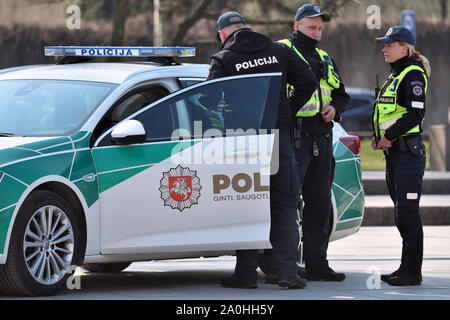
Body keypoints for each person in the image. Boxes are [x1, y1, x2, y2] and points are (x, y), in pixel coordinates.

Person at [208, 11, 317, 289]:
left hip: (243, 140)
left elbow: (207, 98)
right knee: (284, 205)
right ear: (245, 27)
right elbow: (308, 82)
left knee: (246, 205)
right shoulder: (278, 51)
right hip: (277, 137)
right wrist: (287, 112)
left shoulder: (224, 58)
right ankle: (288, 274)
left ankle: (245, 275)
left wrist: (228, 109)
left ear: (223, 33)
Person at [264, 4, 349, 282]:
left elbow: (342, 95)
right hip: (295, 136)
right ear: (297, 25)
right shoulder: (281, 52)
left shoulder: (325, 57)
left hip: (322, 136)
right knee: (286, 204)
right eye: (312, 27)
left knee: (320, 204)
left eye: (321, 28)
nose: (317, 33)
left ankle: (317, 265)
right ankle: (279, 266)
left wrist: (336, 109)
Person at [373, 26, 430, 286]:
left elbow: (414, 114)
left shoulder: (413, 74)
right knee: (401, 213)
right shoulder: (395, 75)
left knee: (407, 212)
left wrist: (389, 136)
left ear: (404, 48)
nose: (383, 49)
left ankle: (412, 273)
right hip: (395, 153)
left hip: (408, 153)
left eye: (389, 45)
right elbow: (388, 113)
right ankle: (405, 268)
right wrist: (379, 137)